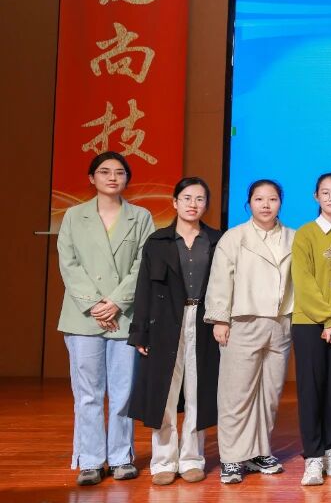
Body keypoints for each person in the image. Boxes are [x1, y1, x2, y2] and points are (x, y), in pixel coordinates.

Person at [57, 151, 156, 485]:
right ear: (92, 178)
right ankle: (89, 460)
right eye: (104, 171)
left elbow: (144, 263)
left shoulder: (141, 216)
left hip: (124, 315)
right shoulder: (74, 216)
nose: (112, 177)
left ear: (127, 178)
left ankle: (120, 457)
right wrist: (96, 304)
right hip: (83, 317)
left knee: (123, 391)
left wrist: (115, 302)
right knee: (87, 392)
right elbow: (68, 263)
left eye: (119, 172)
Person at [127, 177, 221, 485]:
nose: (193, 204)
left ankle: (192, 458)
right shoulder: (157, 242)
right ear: (175, 202)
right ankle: (164, 461)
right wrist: (140, 332)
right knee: (165, 391)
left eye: (200, 199)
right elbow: (143, 289)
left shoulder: (217, 240)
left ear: (206, 205)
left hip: (204, 321)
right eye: (187, 198)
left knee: (198, 390)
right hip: (166, 322)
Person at [204, 179, 295, 484]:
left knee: (269, 394)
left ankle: (258, 452)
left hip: (280, 323)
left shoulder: (293, 237)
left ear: (280, 202)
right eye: (259, 199)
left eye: (272, 199)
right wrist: (220, 319)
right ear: (249, 203)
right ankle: (231, 457)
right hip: (243, 321)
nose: (266, 205)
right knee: (236, 394)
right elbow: (220, 279)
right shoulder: (235, 237)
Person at [290, 172, 331, 486]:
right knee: (311, 391)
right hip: (311, 324)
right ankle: (313, 457)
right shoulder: (306, 234)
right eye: (326, 192)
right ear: (316, 197)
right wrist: (328, 320)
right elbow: (303, 282)